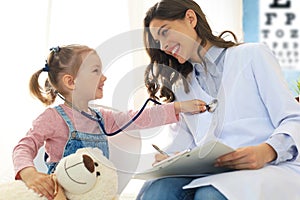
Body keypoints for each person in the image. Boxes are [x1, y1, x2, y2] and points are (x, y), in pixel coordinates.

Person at [137, 0, 300, 199]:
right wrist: (168, 159)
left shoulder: (252, 55)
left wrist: (267, 151)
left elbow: (293, 119)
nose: (162, 46)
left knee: (209, 195)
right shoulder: (183, 87)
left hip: (267, 167)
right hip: (213, 172)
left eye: (165, 32)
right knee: (157, 189)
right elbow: (184, 144)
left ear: (190, 18)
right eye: (157, 42)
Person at [12, 44, 207, 200]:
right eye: (96, 71)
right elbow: (23, 146)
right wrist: (29, 173)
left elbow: (137, 118)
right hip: (63, 193)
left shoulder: (101, 117)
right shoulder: (52, 118)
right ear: (71, 82)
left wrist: (178, 107)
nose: (104, 77)